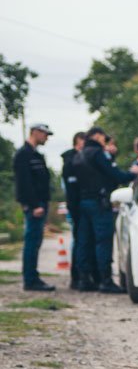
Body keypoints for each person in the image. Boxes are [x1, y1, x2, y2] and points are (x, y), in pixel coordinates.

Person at [74, 126, 138, 293]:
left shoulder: (80, 154)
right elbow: (114, 174)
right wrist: (133, 174)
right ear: (96, 136)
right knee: (103, 241)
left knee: (84, 242)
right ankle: (105, 280)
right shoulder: (97, 153)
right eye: (104, 138)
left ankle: (84, 279)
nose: (105, 142)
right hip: (99, 202)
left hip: (84, 202)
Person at [13, 122, 55, 291]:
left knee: (35, 242)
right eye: (45, 134)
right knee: (31, 242)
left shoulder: (36, 155)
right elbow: (24, 183)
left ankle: (33, 277)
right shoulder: (24, 154)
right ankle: (30, 280)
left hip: (40, 204)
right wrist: (33, 205)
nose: (46, 138)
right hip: (34, 206)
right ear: (35, 132)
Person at [61, 131, 89, 289]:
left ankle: (79, 276)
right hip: (76, 206)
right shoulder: (71, 162)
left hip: (77, 206)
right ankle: (77, 276)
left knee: (79, 241)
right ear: (77, 143)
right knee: (79, 241)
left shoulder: (74, 160)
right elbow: (71, 189)